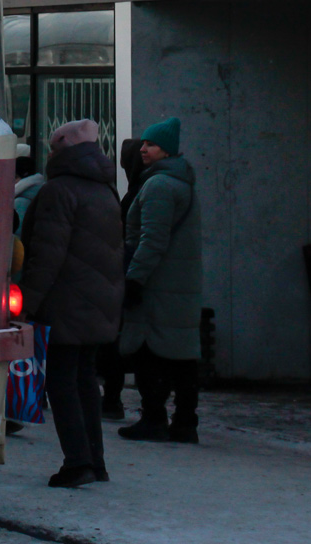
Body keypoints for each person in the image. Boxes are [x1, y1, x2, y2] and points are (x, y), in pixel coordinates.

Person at [18, 119, 124, 488]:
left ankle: (78, 463)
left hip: (65, 301)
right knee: (84, 380)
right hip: (99, 302)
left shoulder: (58, 191)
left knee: (61, 381)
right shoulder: (105, 189)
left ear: (62, 151)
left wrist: (28, 302)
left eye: (52, 149)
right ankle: (95, 461)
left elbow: (46, 256)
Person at [118, 116, 203, 445]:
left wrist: (134, 279)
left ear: (166, 151)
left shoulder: (158, 186)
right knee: (180, 354)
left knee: (149, 353)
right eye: (143, 143)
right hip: (179, 285)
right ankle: (185, 422)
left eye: (151, 144)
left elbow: (151, 240)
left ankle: (154, 418)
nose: (143, 149)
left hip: (157, 284)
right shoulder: (183, 183)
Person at [97, 138, 148, 420]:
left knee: (116, 342)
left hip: (127, 275)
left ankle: (113, 399)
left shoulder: (135, 194)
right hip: (131, 275)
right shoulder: (137, 191)